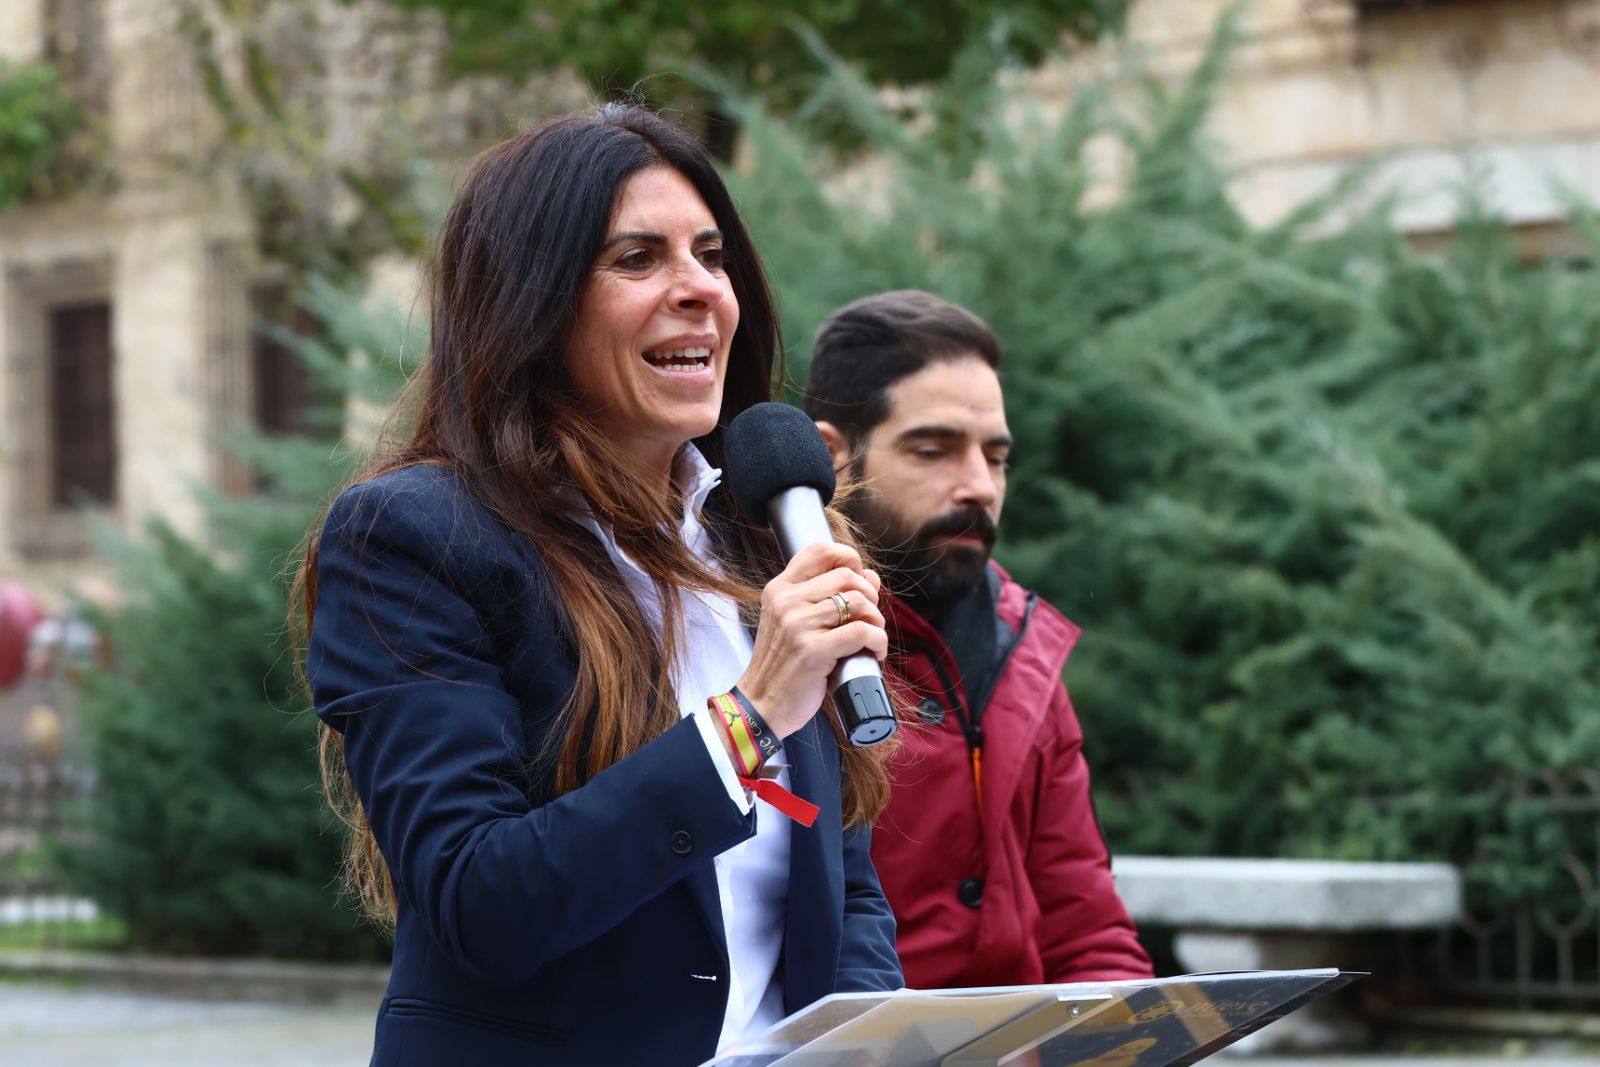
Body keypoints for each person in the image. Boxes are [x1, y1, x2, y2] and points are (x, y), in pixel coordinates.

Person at [296, 106, 902, 1067]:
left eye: (711, 254)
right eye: (638, 258)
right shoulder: (416, 538)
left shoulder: (760, 537)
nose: (698, 288)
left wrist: (875, 1043)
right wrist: (748, 719)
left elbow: (842, 878)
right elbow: (476, 899)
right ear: (532, 304)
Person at [804, 290, 1152, 989]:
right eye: (934, 450)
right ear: (833, 456)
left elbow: (1085, 929)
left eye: (995, 457)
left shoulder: (1025, 650)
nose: (979, 488)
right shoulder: (764, 646)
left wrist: (1130, 1037)